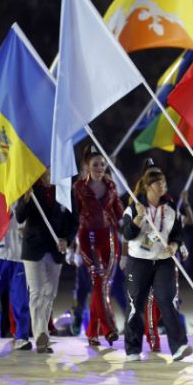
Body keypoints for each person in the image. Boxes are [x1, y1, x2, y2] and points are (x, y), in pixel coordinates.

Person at [121, 160, 193, 362]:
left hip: (163, 261)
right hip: (139, 261)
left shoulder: (170, 206)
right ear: (147, 186)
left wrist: (175, 246)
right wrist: (138, 219)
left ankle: (179, 346)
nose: (162, 186)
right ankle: (133, 349)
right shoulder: (134, 207)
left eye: (163, 182)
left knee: (168, 301)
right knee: (135, 305)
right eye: (158, 183)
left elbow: (178, 233)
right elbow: (127, 234)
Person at [17, 169, 77, 353]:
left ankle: (42, 331)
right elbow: (20, 217)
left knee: (49, 293)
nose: (50, 171)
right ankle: (41, 336)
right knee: (37, 292)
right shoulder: (31, 188)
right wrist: (25, 199)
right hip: (33, 248)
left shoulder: (65, 189)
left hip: (56, 248)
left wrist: (66, 239)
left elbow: (74, 220)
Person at [73, 144, 124, 346]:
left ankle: (92, 332)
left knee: (102, 285)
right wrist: (72, 245)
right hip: (88, 239)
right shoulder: (79, 188)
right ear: (87, 166)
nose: (100, 168)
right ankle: (110, 329)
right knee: (98, 281)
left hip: (109, 238)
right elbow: (74, 217)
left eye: (102, 164)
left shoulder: (111, 186)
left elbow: (119, 213)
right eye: (95, 164)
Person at [142, 189, 193, 353]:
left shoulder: (173, 218)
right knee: (151, 304)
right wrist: (156, 239)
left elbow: (186, 225)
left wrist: (180, 246)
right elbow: (144, 246)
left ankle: (178, 340)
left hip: (169, 269)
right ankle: (153, 338)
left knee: (171, 303)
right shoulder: (149, 220)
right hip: (151, 269)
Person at [0, 203, 32, 350]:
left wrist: (27, 231)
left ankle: (22, 336)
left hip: (18, 256)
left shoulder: (25, 196)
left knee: (20, 299)